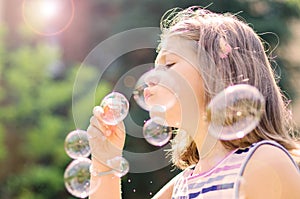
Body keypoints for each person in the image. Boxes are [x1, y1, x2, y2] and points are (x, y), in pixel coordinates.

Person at [87, 6, 300, 199]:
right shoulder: (182, 185)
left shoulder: (263, 163)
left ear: (218, 73)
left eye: (169, 64)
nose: (151, 77)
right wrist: (105, 161)